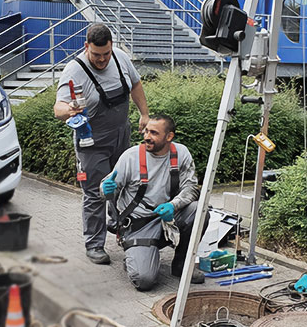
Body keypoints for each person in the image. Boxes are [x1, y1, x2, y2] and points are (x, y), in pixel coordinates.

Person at [54, 23, 149, 265]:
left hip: (121, 134)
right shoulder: (74, 71)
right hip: (92, 141)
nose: (102, 60)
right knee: (96, 192)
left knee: (122, 185)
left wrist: (144, 114)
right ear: (86, 47)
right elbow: (58, 108)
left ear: (112, 47)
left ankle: (119, 226)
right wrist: (70, 109)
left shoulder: (120, 58)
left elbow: (136, 85)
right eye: (97, 55)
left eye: (106, 53)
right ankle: (94, 244)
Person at [100, 114, 208, 291]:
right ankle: (133, 254)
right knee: (144, 281)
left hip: (168, 217)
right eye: (146, 131)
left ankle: (181, 265)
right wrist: (106, 190)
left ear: (169, 137)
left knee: (199, 210)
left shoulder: (181, 153)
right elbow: (105, 188)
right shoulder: (131, 157)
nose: (147, 136)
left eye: (154, 133)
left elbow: (191, 188)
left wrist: (173, 205)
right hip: (139, 225)